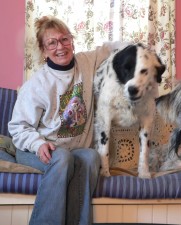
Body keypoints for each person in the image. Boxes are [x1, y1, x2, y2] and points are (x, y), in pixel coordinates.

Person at [8, 16, 128, 225]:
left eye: (64, 39)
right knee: (62, 157)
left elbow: (111, 48)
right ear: (44, 51)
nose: (60, 47)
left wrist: (138, 49)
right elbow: (18, 127)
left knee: (91, 157)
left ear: (72, 41)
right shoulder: (37, 84)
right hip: (35, 150)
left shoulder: (86, 62)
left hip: (73, 151)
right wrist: (38, 144)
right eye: (52, 43)